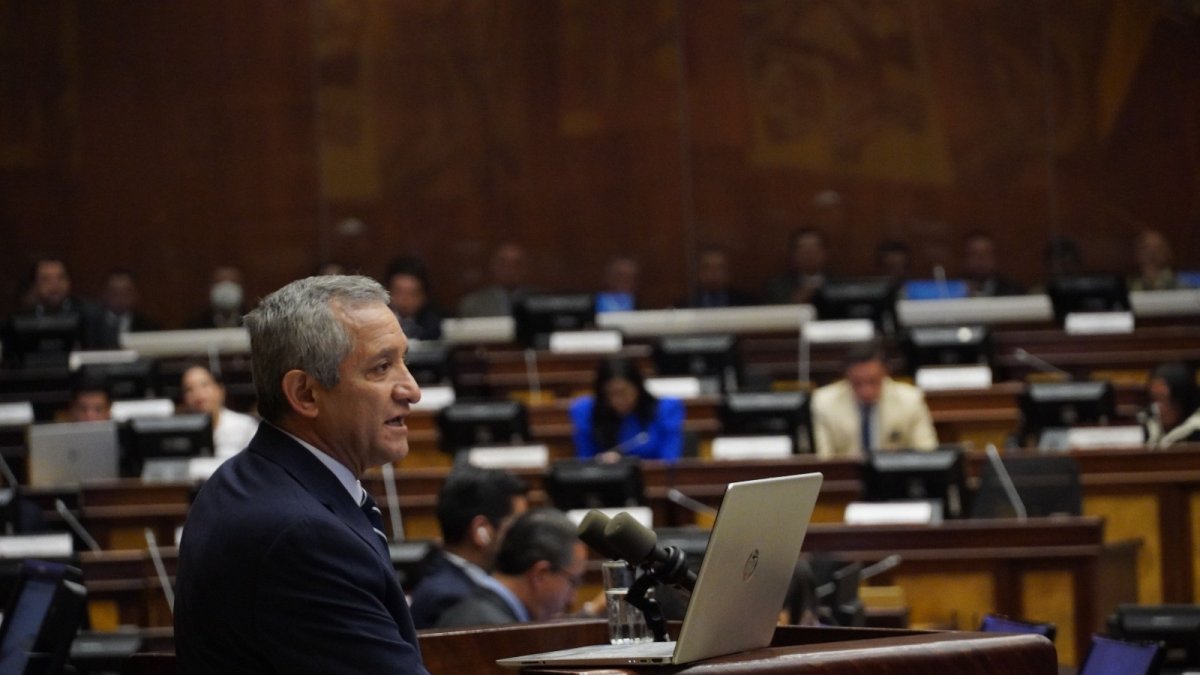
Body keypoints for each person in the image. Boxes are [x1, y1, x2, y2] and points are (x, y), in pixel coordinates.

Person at [174, 275, 429, 674]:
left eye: (404, 361)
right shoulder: (303, 536)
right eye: (381, 367)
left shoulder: (242, 480)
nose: (412, 389)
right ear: (306, 394)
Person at [409, 465, 529, 629]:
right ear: (481, 530)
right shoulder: (450, 599)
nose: (526, 536)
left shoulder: (449, 579)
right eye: (517, 526)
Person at [434, 508, 587, 628]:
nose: (572, 598)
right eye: (573, 582)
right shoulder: (497, 632)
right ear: (540, 574)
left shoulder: (481, 612)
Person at [811, 342, 938, 458]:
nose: (866, 391)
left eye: (873, 381)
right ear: (846, 377)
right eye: (857, 383)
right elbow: (823, 459)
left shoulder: (910, 399)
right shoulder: (823, 403)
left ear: (885, 373)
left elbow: (926, 452)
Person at [569, 357, 684, 462]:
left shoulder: (665, 409)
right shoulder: (586, 412)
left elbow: (670, 462)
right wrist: (599, 462)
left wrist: (626, 464)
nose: (618, 400)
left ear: (638, 388)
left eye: (624, 392)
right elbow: (584, 462)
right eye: (611, 394)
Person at [2, 257, 111, 359]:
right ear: (34, 285)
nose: (55, 284)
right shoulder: (21, 318)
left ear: (69, 282)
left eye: (61, 278)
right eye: (46, 279)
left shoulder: (91, 314)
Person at [179, 363, 258, 461]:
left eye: (204, 385)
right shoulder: (181, 433)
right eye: (189, 389)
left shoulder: (245, 426)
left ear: (220, 390)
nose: (198, 393)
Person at [457, 243, 533, 317]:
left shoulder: (540, 301)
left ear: (525, 268)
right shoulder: (472, 304)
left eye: (517, 264)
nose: (510, 270)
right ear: (493, 267)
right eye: (503, 264)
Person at [763, 227, 831, 304]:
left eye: (815, 248)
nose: (809, 254)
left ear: (825, 253)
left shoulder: (841, 283)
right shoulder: (777, 287)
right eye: (802, 249)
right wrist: (795, 300)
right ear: (793, 255)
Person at [384, 257, 443, 341]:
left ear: (424, 296)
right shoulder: (378, 322)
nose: (405, 299)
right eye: (398, 292)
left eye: (412, 293)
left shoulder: (435, 323)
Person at [678, 245, 756, 308]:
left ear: (728, 272)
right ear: (699, 273)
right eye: (707, 268)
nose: (713, 273)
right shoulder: (685, 305)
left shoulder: (746, 304)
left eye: (719, 268)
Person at [1144, 362, 1200, 448]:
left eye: (1164, 400)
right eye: (1156, 400)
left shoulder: (1196, 430)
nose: (1158, 409)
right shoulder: (1148, 424)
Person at [99, 269, 160, 347]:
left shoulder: (148, 326)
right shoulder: (89, 326)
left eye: (125, 292)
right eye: (114, 293)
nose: (119, 298)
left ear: (135, 295)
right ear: (104, 294)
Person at [961, 232, 1024, 297]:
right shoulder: (952, 289)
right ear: (964, 257)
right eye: (974, 254)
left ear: (996, 257)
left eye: (986, 254)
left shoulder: (1013, 290)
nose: (980, 259)